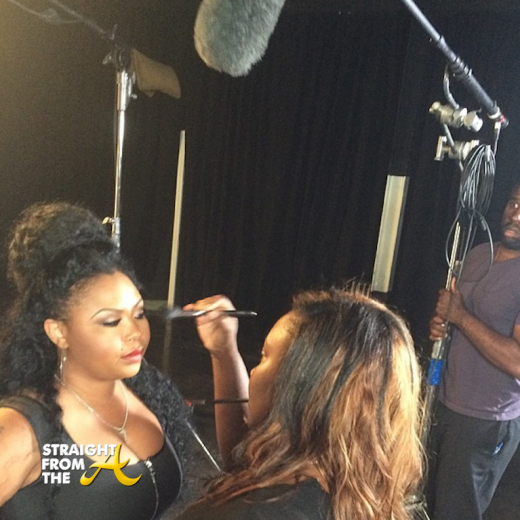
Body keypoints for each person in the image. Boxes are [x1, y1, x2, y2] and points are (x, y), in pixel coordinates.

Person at [0, 202, 195, 519]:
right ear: (58, 332)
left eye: (139, 314)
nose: (136, 333)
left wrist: (224, 351)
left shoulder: (144, 389)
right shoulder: (21, 430)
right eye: (110, 321)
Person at [174, 288, 423, 520]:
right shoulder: (350, 494)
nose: (253, 371)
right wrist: (224, 351)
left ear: (298, 386)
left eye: (264, 356)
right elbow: (246, 461)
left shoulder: (252, 513)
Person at [426, 183, 520, 520]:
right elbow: (452, 316)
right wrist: (442, 325)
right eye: (513, 203)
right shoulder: (479, 253)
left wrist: (461, 317)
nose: (515, 215)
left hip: (484, 420)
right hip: (444, 401)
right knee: (427, 505)